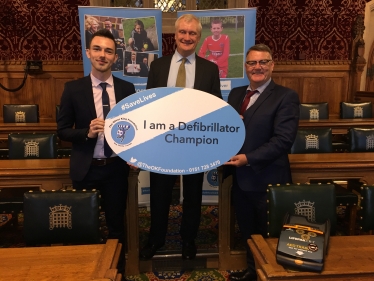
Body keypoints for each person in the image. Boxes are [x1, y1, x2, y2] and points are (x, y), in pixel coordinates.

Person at [140, 14, 222, 261]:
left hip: (194, 144)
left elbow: (216, 106)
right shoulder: (158, 66)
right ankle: (157, 239)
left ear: (199, 37)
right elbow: (149, 104)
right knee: (159, 193)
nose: (187, 37)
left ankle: (189, 239)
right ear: (174, 35)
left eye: (192, 33)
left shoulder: (210, 69)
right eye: (182, 32)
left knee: (193, 194)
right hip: (162, 144)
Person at [57, 29, 136, 278]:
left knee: (116, 225)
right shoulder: (73, 89)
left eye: (109, 51)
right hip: (85, 168)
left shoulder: (127, 88)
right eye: (98, 49)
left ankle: (118, 272)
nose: (103, 55)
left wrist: (134, 156)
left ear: (115, 58)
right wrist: (87, 133)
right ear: (89, 53)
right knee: (84, 226)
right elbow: (62, 131)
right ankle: (86, 272)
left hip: (115, 169)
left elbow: (135, 128)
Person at [224, 44, 300, 281]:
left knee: (269, 235)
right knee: (247, 232)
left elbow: (283, 141)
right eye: (252, 63)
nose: (257, 67)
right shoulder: (236, 94)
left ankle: (272, 275)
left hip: (267, 179)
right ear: (245, 67)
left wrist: (248, 159)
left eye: (263, 62)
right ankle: (252, 271)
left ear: (272, 65)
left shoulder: (286, 96)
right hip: (239, 180)